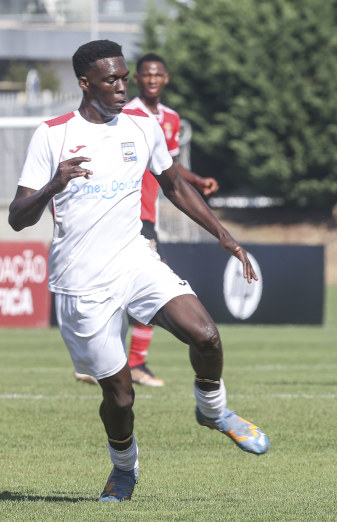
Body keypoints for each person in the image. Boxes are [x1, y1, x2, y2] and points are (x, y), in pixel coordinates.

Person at [8, 40, 269, 502]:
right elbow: (17, 218)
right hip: (81, 282)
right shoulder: (52, 135)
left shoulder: (142, 125)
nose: (121, 87)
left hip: (135, 259)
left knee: (206, 335)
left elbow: (175, 186)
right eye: (110, 80)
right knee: (121, 397)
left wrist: (224, 236)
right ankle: (124, 468)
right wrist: (53, 184)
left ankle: (212, 410)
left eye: (123, 78)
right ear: (84, 83)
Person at [121, 53, 219, 387]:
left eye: (157, 74)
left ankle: (125, 362)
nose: (152, 79)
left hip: (148, 216)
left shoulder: (171, 119)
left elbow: (170, 166)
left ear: (166, 78)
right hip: (129, 214)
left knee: (144, 284)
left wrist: (197, 181)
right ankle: (129, 362)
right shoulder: (125, 114)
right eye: (146, 74)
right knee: (151, 283)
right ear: (137, 79)